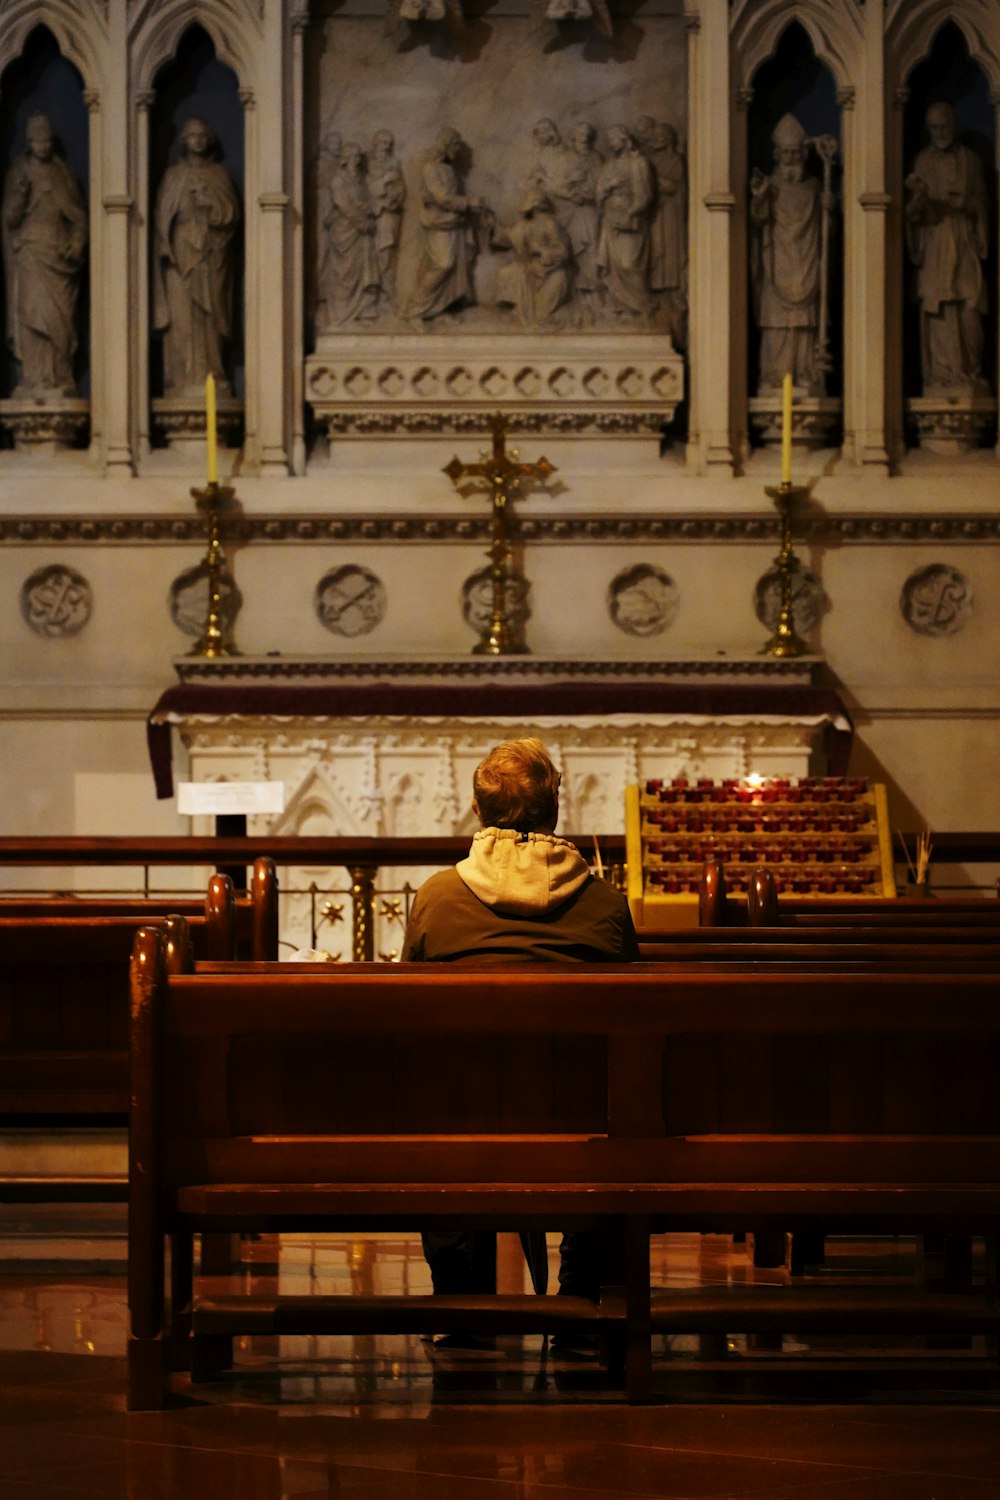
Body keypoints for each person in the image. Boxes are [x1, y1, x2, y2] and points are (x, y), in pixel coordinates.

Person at [402, 737, 639, 1349]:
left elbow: (412, 1022)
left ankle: (464, 1301)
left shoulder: (435, 900)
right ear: (555, 811)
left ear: (477, 812)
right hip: (581, 1135)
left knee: (445, 1105)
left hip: (466, 1127)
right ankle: (583, 1297)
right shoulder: (606, 908)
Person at [905, 101, 989, 394]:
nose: (940, 132)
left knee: (969, 303)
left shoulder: (971, 160)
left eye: (945, 126)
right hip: (936, 242)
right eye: (934, 127)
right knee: (938, 306)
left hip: (963, 239)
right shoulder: (923, 162)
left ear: (954, 125)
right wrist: (918, 203)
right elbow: (913, 216)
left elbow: (982, 202)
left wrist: (966, 205)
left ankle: (969, 370)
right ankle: (941, 376)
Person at [153, 116, 240, 395]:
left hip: (211, 255)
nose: (198, 140)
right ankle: (181, 377)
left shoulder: (218, 174)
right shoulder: (173, 176)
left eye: (203, 134)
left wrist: (211, 205)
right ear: (184, 141)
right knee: (181, 318)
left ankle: (211, 372)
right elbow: (162, 217)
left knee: (209, 316)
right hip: (179, 256)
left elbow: (231, 215)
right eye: (192, 135)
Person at [2, 113, 87, 395]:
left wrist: (76, 243)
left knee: (59, 320)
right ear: (29, 142)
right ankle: (33, 379)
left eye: (47, 139)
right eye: (37, 140)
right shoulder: (20, 172)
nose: (42, 145)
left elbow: (77, 217)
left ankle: (60, 376)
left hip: (58, 256)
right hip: (30, 254)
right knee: (33, 314)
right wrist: (20, 194)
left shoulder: (62, 173)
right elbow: (10, 220)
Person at [749, 112, 822, 392]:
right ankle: (775, 375)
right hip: (777, 262)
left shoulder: (815, 187)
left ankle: (805, 372)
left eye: (796, 153)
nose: (791, 159)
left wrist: (828, 213)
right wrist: (759, 198)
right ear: (777, 154)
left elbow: (828, 233)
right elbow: (757, 222)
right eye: (786, 154)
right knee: (777, 322)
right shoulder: (770, 186)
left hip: (806, 263)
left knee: (804, 325)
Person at [401, 127, 482, 321]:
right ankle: (415, 311)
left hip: (453, 223)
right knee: (443, 264)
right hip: (438, 223)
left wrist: (471, 206)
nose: (456, 150)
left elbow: (450, 198)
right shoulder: (431, 168)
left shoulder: (448, 169)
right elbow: (443, 198)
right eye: (454, 145)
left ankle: (439, 309)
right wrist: (468, 202)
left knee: (454, 267)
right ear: (446, 144)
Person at [317, 141, 380, 328]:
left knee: (362, 271)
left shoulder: (359, 179)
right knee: (344, 275)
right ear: (346, 159)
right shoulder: (339, 180)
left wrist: (366, 209)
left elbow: (362, 201)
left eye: (360, 157)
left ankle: (361, 311)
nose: (358, 160)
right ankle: (341, 317)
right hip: (345, 230)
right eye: (355, 156)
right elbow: (343, 204)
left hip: (360, 231)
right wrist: (361, 220)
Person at [595, 125, 655, 319]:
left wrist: (630, 212)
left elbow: (646, 194)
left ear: (625, 139)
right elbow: (598, 193)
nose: (612, 144)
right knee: (613, 265)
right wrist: (607, 187)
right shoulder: (609, 165)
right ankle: (618, 307)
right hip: (611, 218)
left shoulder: (639, 163)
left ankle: (641, 307)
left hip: (632, 219)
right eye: (610, 140)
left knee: (629, 263)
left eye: (615, 139)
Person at [490, 189, 572, 328]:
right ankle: (519, 313)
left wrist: (544, 253)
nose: (537, 213)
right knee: (511, 272)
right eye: (535, 209)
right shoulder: (524, 225)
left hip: (550, 269)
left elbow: (563, 251)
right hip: (531, 266)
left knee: (560, 279)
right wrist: (492, 225)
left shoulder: (551, 224)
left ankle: (539, 317)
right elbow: (506, 237)